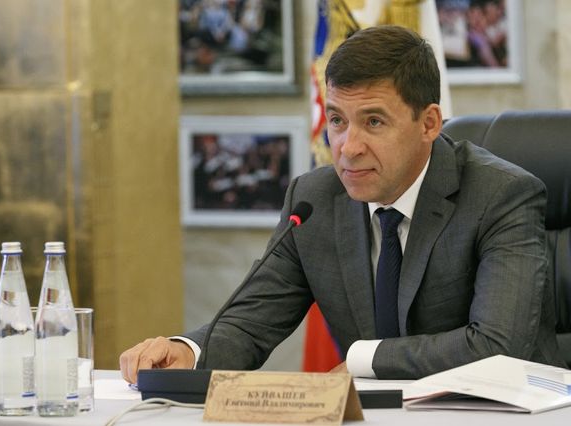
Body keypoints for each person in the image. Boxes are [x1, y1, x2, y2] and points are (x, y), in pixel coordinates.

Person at [120, 25, 566, 383]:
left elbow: (496, 345)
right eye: (336, 120)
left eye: (373, 122)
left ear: (429, 123)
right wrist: (188, 351)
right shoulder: (315, 199)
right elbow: (251, 322)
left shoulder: (501, 196)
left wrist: (362, 361)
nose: (348, 148)